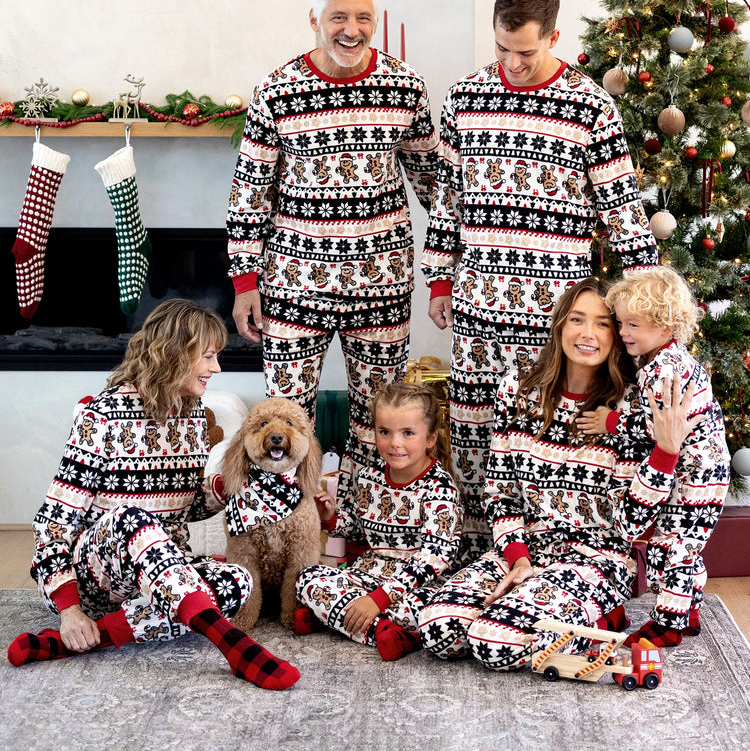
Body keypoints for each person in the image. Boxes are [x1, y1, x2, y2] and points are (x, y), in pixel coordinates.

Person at [422, 0, 658, 558]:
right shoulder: (466, 97)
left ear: (554, 36)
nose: (513, 62)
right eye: (502, 48)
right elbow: (447, 198)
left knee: (544, 436)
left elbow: (622, 208)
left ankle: (550, 558)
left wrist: (649, 304)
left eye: (526, 51)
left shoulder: (590, 106)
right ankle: (478, 556)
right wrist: (440, 277)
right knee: (477, 431)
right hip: (479, 304)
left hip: (557, 315)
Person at [227, 0, 439, 510]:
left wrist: (450, 268)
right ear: (315, 21)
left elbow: (433, 183)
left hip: (382, 282)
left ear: (376, 21)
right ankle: (283, 533)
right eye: (338, 16)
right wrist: (245, 281)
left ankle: (371, 528)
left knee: (382, 416)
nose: (352, 28)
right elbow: (249, 193)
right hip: (294, 284)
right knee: (284, 421)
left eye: (363, 17)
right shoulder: (277, 89)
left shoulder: (405, 85)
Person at [7, 299, 299, 690]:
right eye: (208, 356)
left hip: (161, 579)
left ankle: (83, 641)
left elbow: (185, 508)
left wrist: (228, 488)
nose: (216, 368)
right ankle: (232, 646)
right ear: (175, 353)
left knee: (238, 580)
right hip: (97, 576)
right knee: (133, 518)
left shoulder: (193, 415)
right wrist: (70, 610)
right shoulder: (103, 417)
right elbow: (53, 524)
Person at [419, 278, 696, 670]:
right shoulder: (517, 391)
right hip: (529, 549)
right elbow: (500, 494)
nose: (588, 333)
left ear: (618, 334)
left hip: (598, 559)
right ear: (560, 325)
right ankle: (539, 610)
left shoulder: (632, 407)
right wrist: (517, 559)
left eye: (603, 323)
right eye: (577, 319)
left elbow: (632, 524)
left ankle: (604, 617)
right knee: (438, 628)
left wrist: (666, 453)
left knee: (493, 641)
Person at [577, 266, 730, 647]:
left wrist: (610, 421)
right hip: (702, 468)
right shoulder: (665, 360)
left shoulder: (664, 371)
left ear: (665, 328)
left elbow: (656, 429)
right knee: (685, 544)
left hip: (697, 474)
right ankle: (689, 610)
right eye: (622, 323)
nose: (624, 333)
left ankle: (668, 624)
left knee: (672, 546)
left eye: (634, 325)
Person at [293, 381, 462, 660]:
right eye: (385, 432)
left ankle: (336, 618)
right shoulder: (370, 476)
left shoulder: (440, 489)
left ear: (431, 437)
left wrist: (379, 600)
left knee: (429, 615)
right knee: (308, 578)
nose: (395, 443)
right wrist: (330, 518)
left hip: (418, 586)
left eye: (408, 433)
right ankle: (383, 631)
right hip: (368, 574)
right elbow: (359, 530)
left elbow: (433, 560)